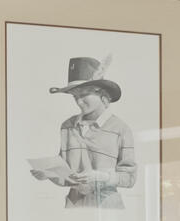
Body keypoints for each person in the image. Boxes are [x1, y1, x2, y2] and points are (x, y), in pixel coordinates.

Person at [39, 57, 137, 210]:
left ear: (103, 94)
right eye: (75, 96)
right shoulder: (67, 126)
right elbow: (67, 177)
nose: (79, 101)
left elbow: (130, 178)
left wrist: (100, 177)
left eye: (84, 95)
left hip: (107, 208)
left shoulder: (121, 129)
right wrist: (49, 174)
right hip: (73, 206)